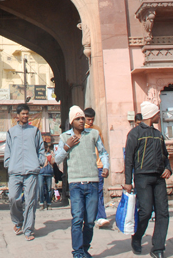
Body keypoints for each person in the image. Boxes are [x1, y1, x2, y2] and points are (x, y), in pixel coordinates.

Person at [56, 105, 109, 258]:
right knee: (77, 219)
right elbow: (57, 159)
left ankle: (85, 248)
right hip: (75, 184)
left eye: (82, 118)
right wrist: (67, 146)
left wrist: (106, 166)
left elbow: (103, 152)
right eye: (78, 118)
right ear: (72, 121)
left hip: (92, 181)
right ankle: (77, 252)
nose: (81, 121)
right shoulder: (65, 137)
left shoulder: (93, 134)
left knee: (90, 221)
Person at [123, 101, 171, 258]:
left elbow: (165, 155)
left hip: (159, 178)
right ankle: (137, 237)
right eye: (157, 113)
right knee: (145, 211)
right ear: (152, 115)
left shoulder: (158, 135)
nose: (159, 115)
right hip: (142, 177)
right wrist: (128, 181)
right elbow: (128, 159)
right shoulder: (135, 133)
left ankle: (158, 248)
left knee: (163, 213)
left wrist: (168, 168)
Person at [5, 103, 45, 241]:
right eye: (23, 113)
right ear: (17, 116)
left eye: (27, 114)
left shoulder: (35, 131)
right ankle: (18, 221)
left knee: (30, 201)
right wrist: (8, 164)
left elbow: (40, 148)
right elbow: (8, 150)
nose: (25, 116)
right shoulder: (11, 132)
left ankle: (28, 229)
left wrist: (39, 162)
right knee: (13, 198)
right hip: (15, 170)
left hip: (31, 170)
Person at [84, 107, 109, 228]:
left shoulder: (97, 130)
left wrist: (105, 165)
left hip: (98, 166)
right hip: (86, 167)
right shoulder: (80, 130)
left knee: (99, 192)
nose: (90, 122)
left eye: (92, 120)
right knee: (87, 193)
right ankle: (90, 216)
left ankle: (101, 216)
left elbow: (102, 150)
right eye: (88, 119)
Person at [38, 142, 54, 210]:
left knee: (49, 189)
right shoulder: (38, 154)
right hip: (41, 173)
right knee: (41, 188)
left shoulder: (50, 154)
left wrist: (51, 157)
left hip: (49, 172)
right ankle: (41, 203)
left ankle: (49, 203)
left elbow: (53, 162)